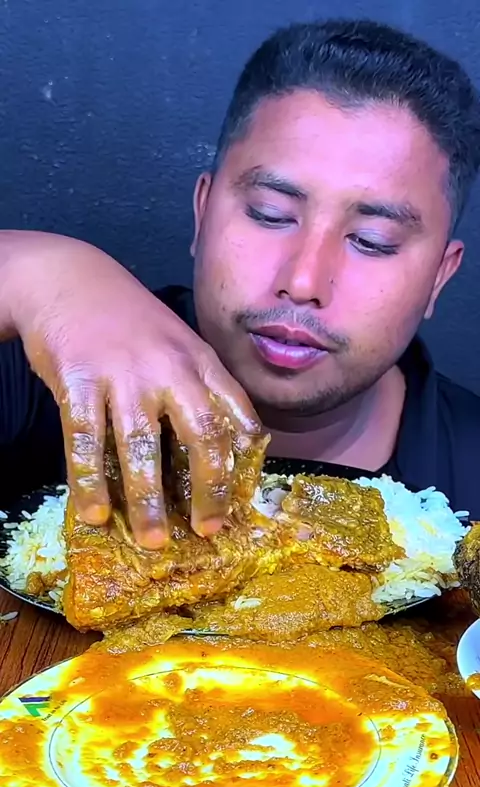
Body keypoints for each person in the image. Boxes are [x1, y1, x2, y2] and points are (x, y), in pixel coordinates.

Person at [1, 18, 480, 548]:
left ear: (440, 276)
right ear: (203, 212)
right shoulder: (40, 375)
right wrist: (38, 270)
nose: (303, 281)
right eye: (270, 214)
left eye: (372, 241)